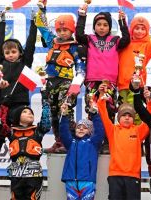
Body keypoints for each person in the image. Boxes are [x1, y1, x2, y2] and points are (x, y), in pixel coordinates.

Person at [0, 8, 38, 186]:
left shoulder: (25, 64)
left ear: (20, 53)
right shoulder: (0, 64)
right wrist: (1, 23)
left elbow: (31, 44)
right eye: (7, 52)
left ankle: (20, 174)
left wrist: (33, 22)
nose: (10, 54)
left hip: (19, 108)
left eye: (13, 51)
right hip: (2, 109)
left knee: (19, 143)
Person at [35, 0, 87, 153]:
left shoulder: (75, 47)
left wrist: (75, 86)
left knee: (65, 111)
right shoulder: (52, 42)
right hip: (50, 82)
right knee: (52, 113)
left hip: (66, 83)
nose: (62, 32)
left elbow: (81, 69)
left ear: (72, 30)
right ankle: (58, 141)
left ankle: (67, 141)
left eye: (66, 29)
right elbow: (41, 26)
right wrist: (42, 10)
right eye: (60, 29)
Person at [75, 4, 130, 121]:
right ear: (94, 27)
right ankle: (93, 138)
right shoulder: (89, 39)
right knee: (92, 109)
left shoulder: (115, 40)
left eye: (105, 25)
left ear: (109, 28)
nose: (101, 27)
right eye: (98, 24)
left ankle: (108, 138)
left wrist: (122, 22)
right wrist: (82, 16)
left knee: (109, 110)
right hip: (92, 80)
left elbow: (126, 40)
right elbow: (79, 35)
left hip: (109, 81)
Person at [97, 83, 149, 200]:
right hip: (115, 175)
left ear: (133, 118)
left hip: (133, 176)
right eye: (124, 115)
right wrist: (101, 97)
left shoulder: (138, 131)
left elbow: (149, 120)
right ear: (118, 117)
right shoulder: (113, 130)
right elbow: (104, 116)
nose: (127, 117)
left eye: (130, 115)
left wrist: (148, 100)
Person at [6, 94, 51, 200]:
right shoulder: (12, 132)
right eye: (25, 112)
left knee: (32, 198)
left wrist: (45, 101)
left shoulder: (38, 131)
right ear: (17, 117)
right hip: (16, 173)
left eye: (31, 112)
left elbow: (46, 122)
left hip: (34, 173)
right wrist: (4, 104)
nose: (29, 113)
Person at [117, 13, 151, 108]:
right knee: (124, 114)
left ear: (147, 31)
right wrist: (122, 20)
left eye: (143, 29)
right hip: (123, 86)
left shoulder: (147, 46)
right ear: (132, 29)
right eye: (137, 28)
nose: (140, 31)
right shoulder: (124, 43)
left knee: (137, 115)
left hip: (137, 86)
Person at [59, 102, 104, 199]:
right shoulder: (71, 142)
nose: (81, 129)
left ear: (90, 130)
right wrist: (64, 115)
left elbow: (100, 131)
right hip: (70, 180)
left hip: (87, 180)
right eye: (78, 127)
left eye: (85, 128)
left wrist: (95, 114)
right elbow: (63, 132)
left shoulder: (93, 142)